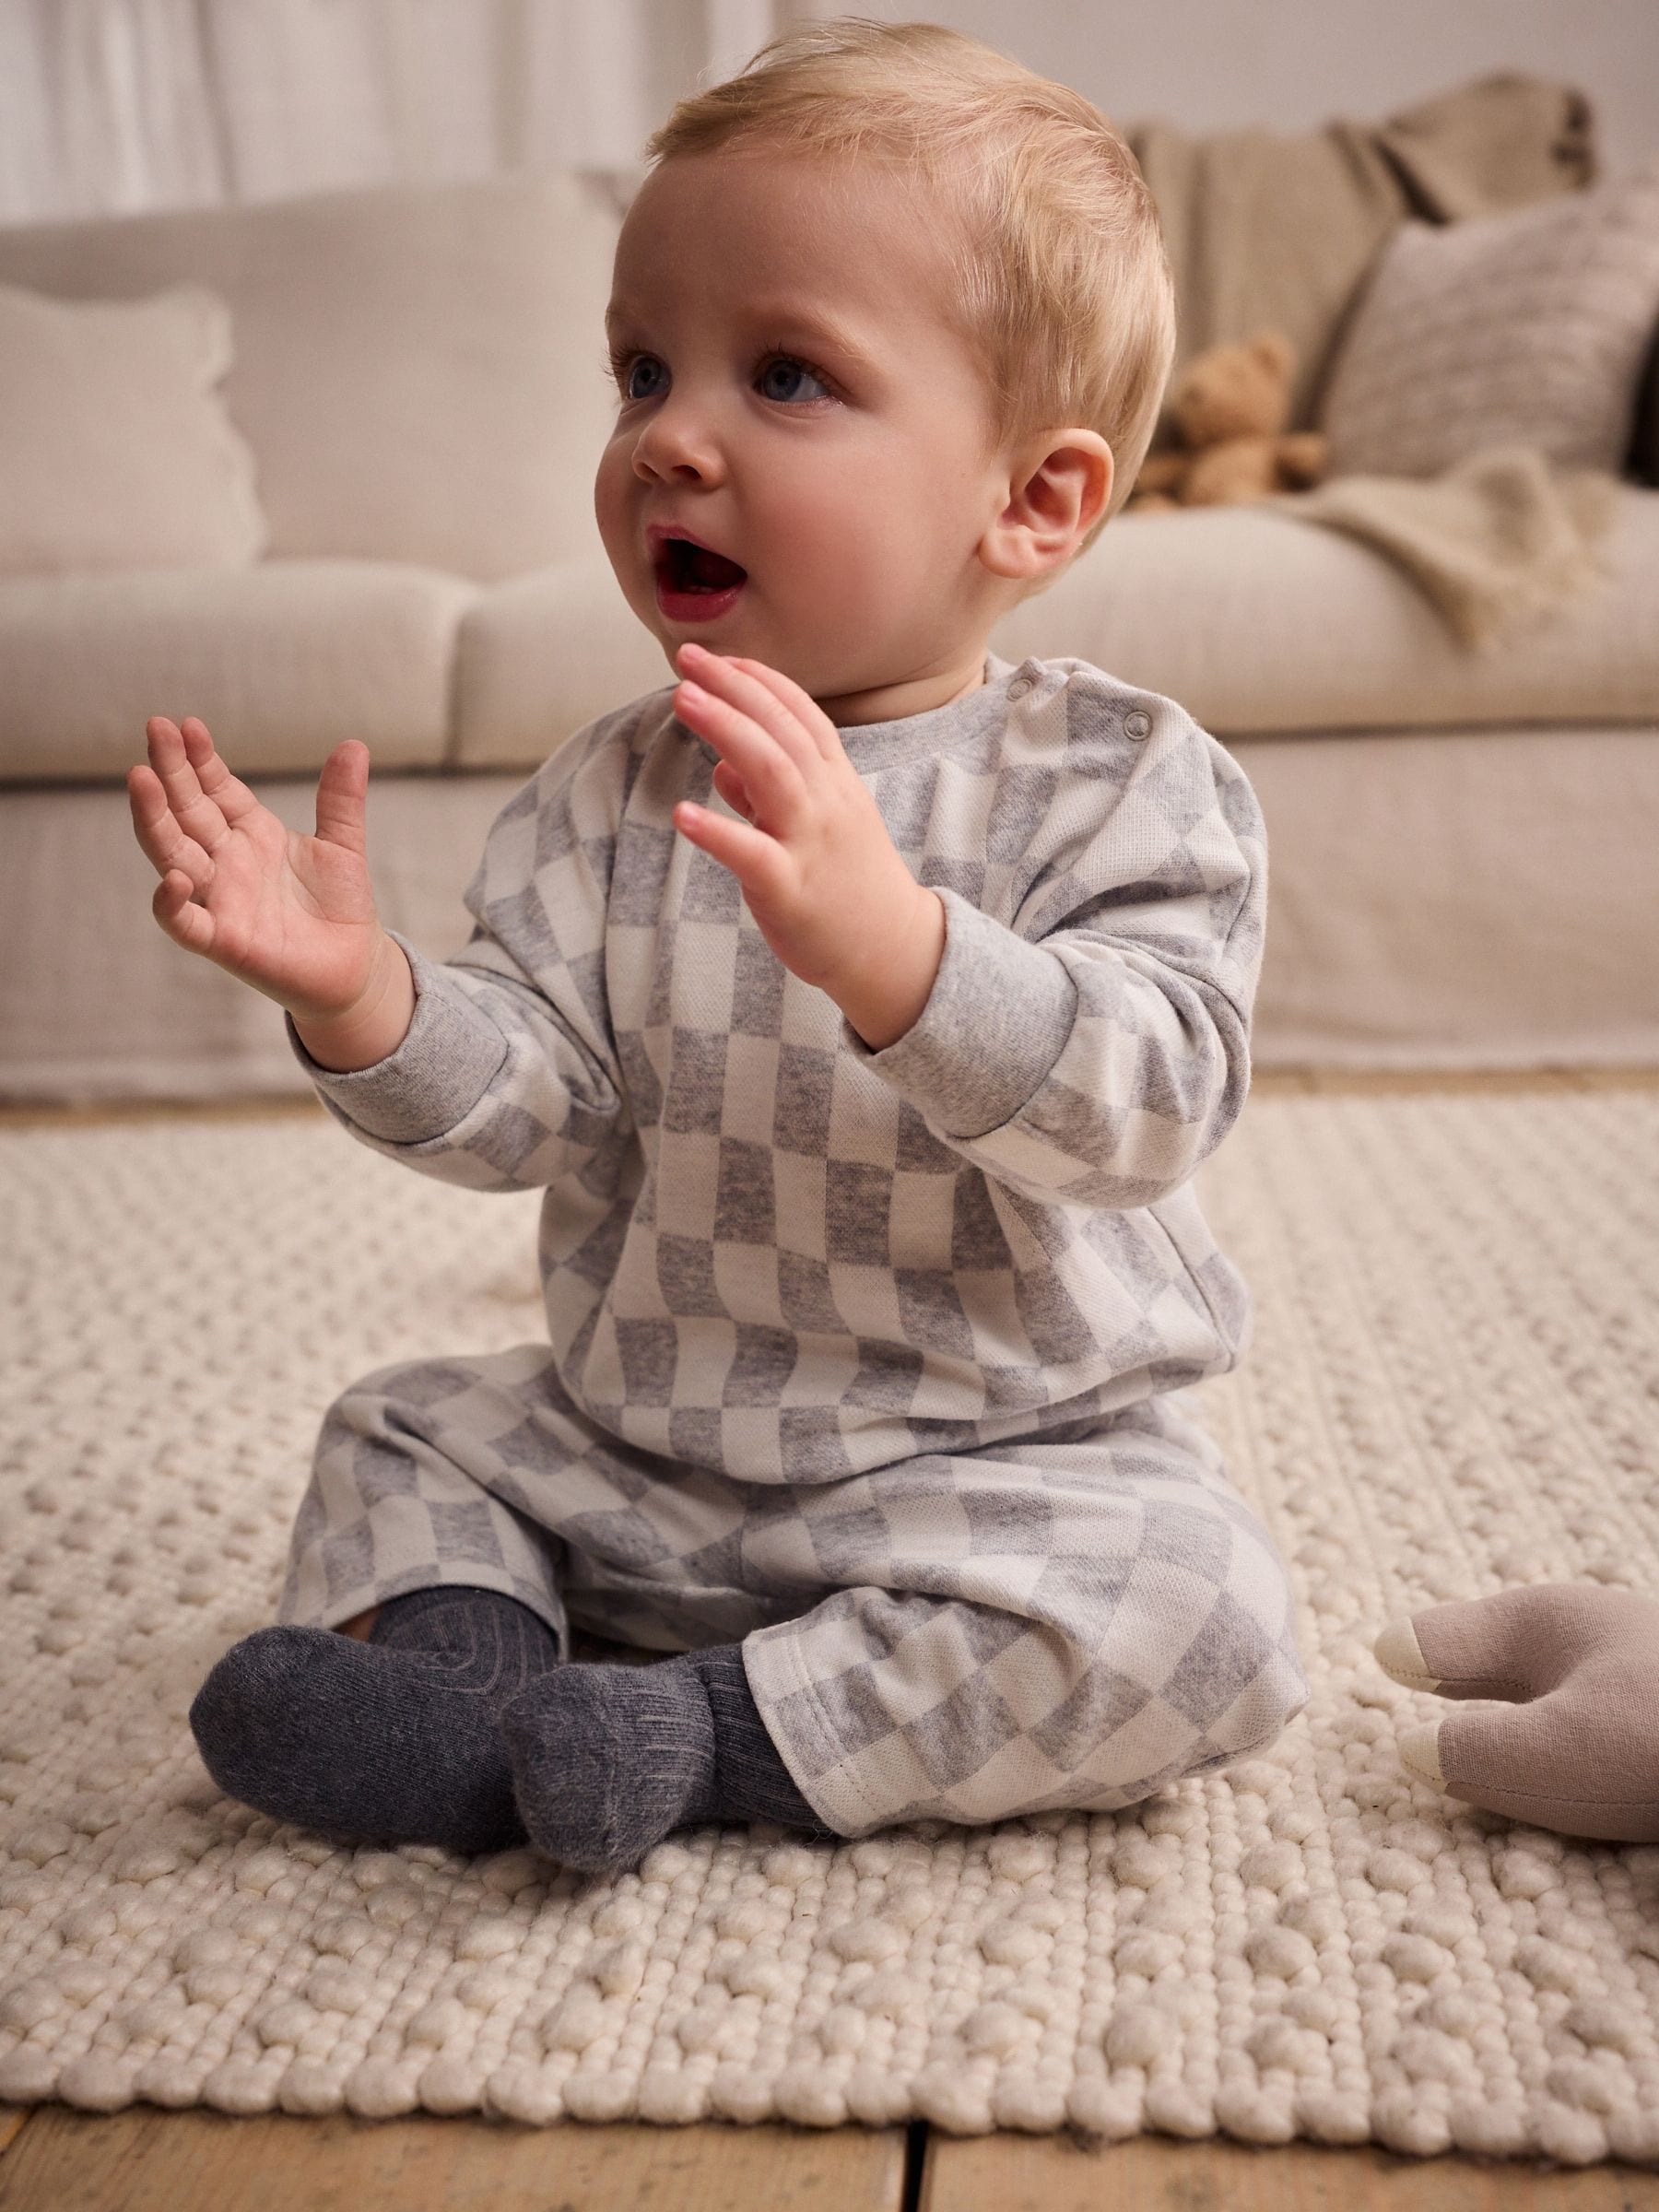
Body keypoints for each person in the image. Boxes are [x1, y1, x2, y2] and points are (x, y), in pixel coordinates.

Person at [127, 18, 1308, 1876]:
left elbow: (1146, 1112)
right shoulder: (610, 790)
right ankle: (462, 1706)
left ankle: (694, 1738)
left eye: (785, 375)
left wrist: (904, 951)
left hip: (990, 1474)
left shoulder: (1121, 785)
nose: (670, 438)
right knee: (405, 1436)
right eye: (642, 369)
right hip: (648, 1449)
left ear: (1033, 498)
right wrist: (363, 994)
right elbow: (525, 1108)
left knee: (1212, 1614)